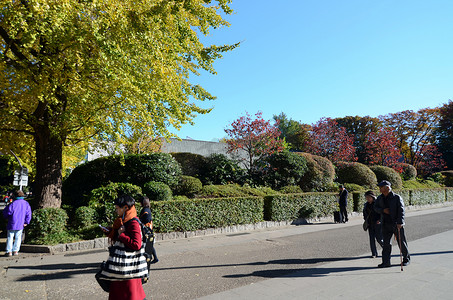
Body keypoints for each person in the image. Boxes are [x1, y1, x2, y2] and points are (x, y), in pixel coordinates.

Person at [101, 194, 146, 300]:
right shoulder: (124, 220)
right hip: (121, 266)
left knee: (130, 294)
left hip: (129, 267)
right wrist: (111, 232)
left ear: (126, 207)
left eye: (117, 208)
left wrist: (121, 235)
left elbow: (137, 244)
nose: (116, 210)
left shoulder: (133, 222)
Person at [374, 180, 410, 268]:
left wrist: (400, 222)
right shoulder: (379, 198)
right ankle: (386, 262)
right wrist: (382, 210)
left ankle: (406, 259)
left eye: (381, 187)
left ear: (387, 187)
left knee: (401, 242)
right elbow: (375, 207)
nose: (380, 189)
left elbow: (401, 211)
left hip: (396, 224)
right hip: (385, 224)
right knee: (386, 244)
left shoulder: (397, 197)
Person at [3, 190, 32, 257]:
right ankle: (16, 251)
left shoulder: (13, 204)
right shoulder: (26, 203)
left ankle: (9, 251)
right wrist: (26, 222)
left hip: (12, 223)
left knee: (10, 237)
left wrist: (6, 217)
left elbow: (7, 212)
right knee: (18, 237)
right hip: (21, 223)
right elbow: (28, 214)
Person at [363, 190, 383, 258]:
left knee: (379, 238)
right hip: (370, 224)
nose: (367, 199)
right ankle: (374, 253)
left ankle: (386, 249)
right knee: (371, 239)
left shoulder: (377, 203)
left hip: (377, 223)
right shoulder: (366, 205)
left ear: (372, 197)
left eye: (368, 197)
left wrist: (380, 220)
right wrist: (366, 220)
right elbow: (365, 214)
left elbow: (382, 213)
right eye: (366, 197)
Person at [139, 196, 158, 264]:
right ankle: (154, 258)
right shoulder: (147, 209)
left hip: (146, 229)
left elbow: (146, 219)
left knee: (148, 244)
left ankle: (149, 259)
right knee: (150, 244)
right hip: (149, 229)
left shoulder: (145, 210)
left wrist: (140, 222)